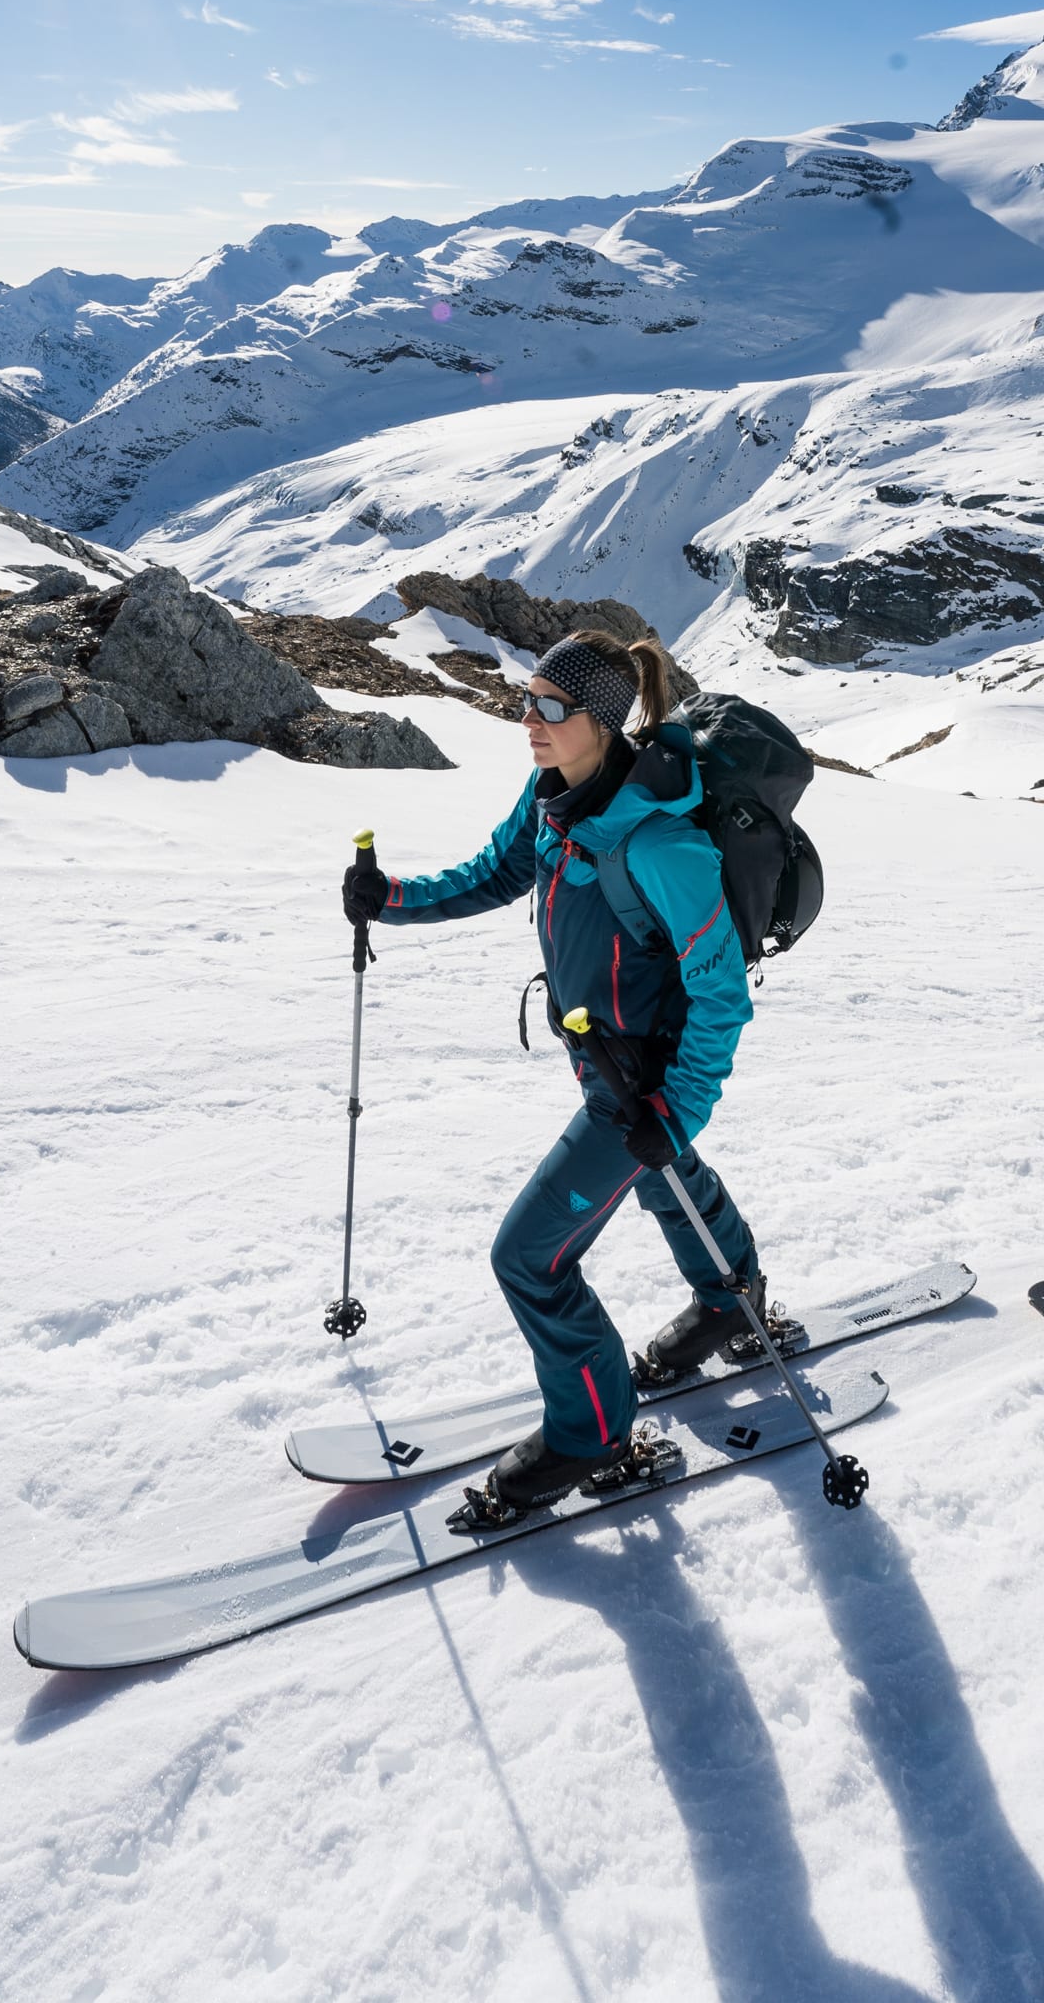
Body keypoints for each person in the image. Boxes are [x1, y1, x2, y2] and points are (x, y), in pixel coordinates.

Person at [340, 629, 760, 1520]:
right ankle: (731, 1300)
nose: (528, 720)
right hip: (600, 1061)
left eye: (550, 707)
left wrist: (675, 1110)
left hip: (641, 1083)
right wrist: (393, 899)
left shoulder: (659, 844)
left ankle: (593, 1431)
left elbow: (721, 993)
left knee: (529, 1257)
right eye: (524, 701)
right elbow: (496, 872)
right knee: (661, 1178)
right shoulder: (553, 798)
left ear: (601, 722)